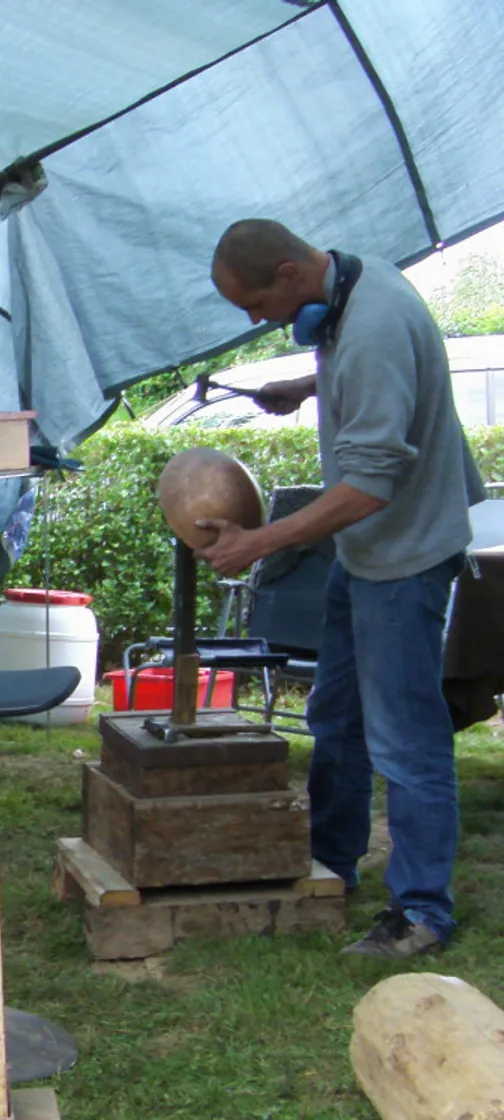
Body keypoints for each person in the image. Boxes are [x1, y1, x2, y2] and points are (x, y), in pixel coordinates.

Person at [200, 218, 484, 958]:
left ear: (291, 274)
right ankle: (330, 861)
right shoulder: (357, 283)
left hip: (404, 555)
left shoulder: (374, 329)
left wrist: (259, 543)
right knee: (336, 716)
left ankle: (421, 912)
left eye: (256, 306)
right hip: (362, 558)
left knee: (407, 741)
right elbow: (369, 378)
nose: (256, 321)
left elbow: (368, 488)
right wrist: (306, 381)